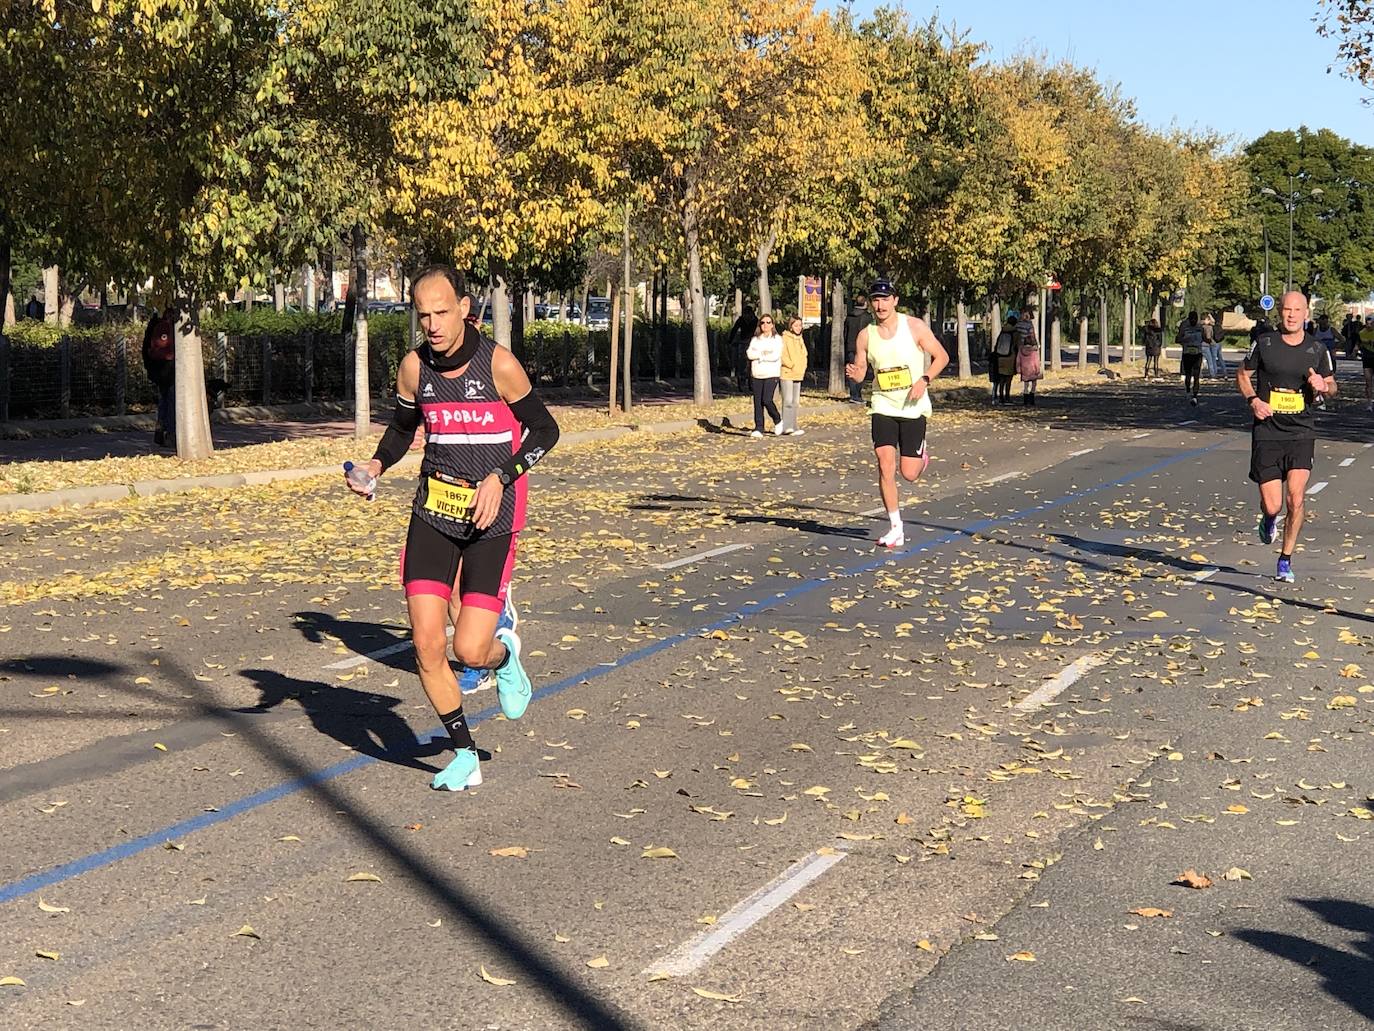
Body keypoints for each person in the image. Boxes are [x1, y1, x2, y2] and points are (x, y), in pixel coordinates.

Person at [345, 265, 560, 791]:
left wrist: (500, 475)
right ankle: (464, 753)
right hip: (433, 513)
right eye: (423, 315)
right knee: (425, 645)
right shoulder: (414, 369)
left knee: (469, 650)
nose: (433, 324)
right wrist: (374, 467)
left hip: (491, 518)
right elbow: (401, 430)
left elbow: (546, 430)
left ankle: (505, 657)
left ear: (465, 307)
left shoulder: (499, 365)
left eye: (442, 312)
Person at [1237, 291, 1336, 584]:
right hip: (1268, 430)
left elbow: (1332, 386)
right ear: (1280, 312)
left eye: (1297, 310)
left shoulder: (1317, 349)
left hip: (1301, 431)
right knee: (1273, 505)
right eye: (1287, 310)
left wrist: (1323, 385)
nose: (1291, 315)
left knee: (1295, 497)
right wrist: (1253, 400)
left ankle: (1285, 560)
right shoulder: (1265, 343)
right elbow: (1242, 374)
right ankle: (1268, 521)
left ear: (1307, 313)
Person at [844, 278, 950, 549]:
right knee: (884, 464)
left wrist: (924, 379)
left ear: (895, 300)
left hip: (913, 405)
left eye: (884, 299)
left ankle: (920, 457)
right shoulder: (866, 334)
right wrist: (857, 375)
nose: (880, 305)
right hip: (883, 404)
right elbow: (861, 370)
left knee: (909, 473)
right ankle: (895, 527)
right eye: (875, 300)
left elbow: (942, 357)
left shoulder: (914, 326)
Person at [141, 309, 176, 447]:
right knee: (172, 400)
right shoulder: (170, 326)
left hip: (158, 369)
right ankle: (171, 433)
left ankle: (160, 431)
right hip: (170, 368)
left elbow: (147, 349)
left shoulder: (154, 323)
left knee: (164, 399)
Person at [746, 313, 783, 437]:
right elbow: (750, 354)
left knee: (767, 400)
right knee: (758, 402)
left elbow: (775, 356)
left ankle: (777, 419)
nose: (765, 325)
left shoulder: (777, 339)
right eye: (762, 323)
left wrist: (760, 355)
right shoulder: (755, 339)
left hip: (771, 374)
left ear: (772, 324)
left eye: (768, 322)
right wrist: (763, 354)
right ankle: (759, 427)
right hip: (757, 374)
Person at [778, 313, 808, 435]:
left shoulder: (800, 338)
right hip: (787, 373)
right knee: (788, 400)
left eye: (800, 325)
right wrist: (791, 365)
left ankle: (794, 425)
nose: (798, 327)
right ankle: (786, 426)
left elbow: (804, 354)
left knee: (795, 401)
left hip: (798, 373)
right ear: (791, 326)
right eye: (796, 325)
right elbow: (783, 354)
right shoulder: (784, 338)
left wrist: (803, 367)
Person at [843, 293, 873, 403]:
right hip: (863, 347)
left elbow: (845, 333)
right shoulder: (867, 317)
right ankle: (858, 395)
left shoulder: (849, 317)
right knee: (861, 369)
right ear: (865, 303)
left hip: (850, 346)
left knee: (852, 369)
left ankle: (853, 395)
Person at [726, 305, 758, 394]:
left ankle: (751, 384)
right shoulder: (741, 320)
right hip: (743, 342)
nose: (746, 316)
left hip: (753, 342)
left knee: (752, 365)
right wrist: (730, 341)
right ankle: (742, 384)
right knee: (742, 364)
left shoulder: (756, 320)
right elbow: (734, 329)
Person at [1177, 310, 1205, 405]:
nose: (1193, 320)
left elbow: (1178, 338)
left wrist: (1183, 341)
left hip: (1192, 353)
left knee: (1193, 375)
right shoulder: (1198, 327)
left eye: (1194, 319)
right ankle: (1191, 392)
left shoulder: (1186, 327)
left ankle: (1192, 393)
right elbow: (1178, 339)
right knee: (1192, 374)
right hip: (1193, 353)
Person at [1015, 310, 1042, 406]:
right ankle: (1032, 398)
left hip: (1021, 352)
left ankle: (1025, 399)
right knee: (1034, 383)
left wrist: (1018, 369)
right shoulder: (1034, 352)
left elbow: (1018, 360)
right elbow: (1036, 361)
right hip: (1032, 370)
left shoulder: (1017, 325)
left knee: (1026, 384)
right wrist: (1038, 369)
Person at [991, 314, 1017, 404]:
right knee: (1008, 379)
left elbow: (997, 344)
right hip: (1010, 357)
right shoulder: (1014, 333)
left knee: (1001, 378)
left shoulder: (1002, 331)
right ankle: (1007, 397)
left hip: (1000, 357)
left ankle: (1000, 396)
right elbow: (1017, 344)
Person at [1201, 313, 1225, 378]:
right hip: (1207, 345)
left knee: (1200, 360)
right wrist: (1210, 341)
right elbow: (1208, 337)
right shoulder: (1208, 327)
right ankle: (1213, 374)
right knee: (1211, 360)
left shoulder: (1199, 326)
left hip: (1201, 344)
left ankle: (1200, 374)